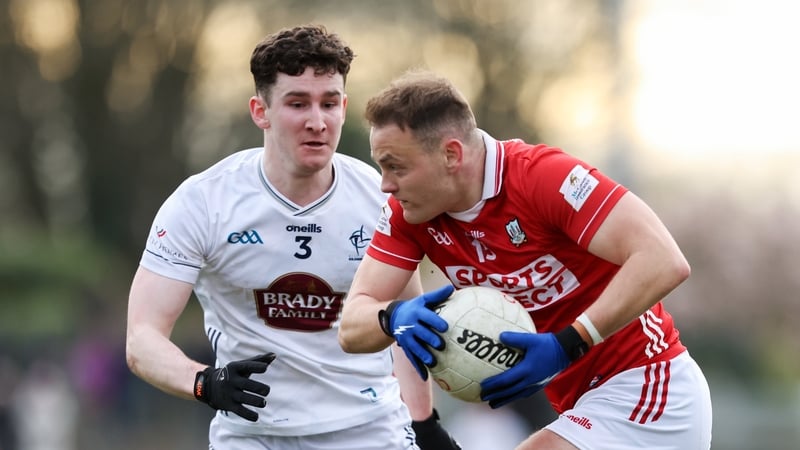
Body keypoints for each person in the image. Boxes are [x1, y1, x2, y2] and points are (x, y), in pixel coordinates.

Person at [338, 70, 713, 449]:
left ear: (451, 154)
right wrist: (393, 317)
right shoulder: (411, 213)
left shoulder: (541, 177)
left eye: (396, 166)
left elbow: (663, 259)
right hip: (581, 404)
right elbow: (351, 327)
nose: (385, 183)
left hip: (650, 386)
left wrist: (569, 343)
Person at [126, 26, 459, 449]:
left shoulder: (377, 196)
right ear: (260, 111)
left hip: (370, 430)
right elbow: (142, 339)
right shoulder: (202, 202)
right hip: (251, 435)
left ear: (344, 108)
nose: (317, 122)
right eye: (297, 103)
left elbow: (404, 322)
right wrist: (204, 383)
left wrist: (425, 425)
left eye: (329, 103)